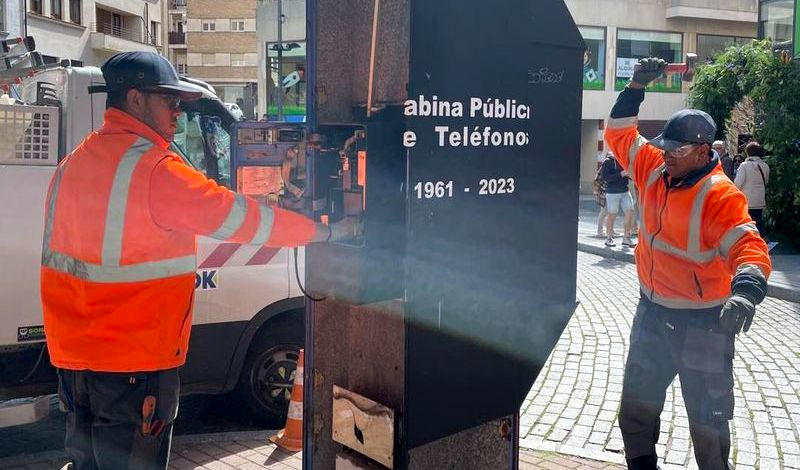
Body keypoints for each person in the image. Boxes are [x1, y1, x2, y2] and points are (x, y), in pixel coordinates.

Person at [41, 52, 351, 470]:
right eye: (168, 99)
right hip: (134, 367)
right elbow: (241, 219)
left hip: (73, 364)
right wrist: (325, 232)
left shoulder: (71, 165)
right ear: (135, 98)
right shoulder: (155, 170)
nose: (177, 110)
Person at [604, 57, 772, 470]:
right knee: (635, 413)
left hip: (705, 323)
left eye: (677, 151)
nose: (667, 157)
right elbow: (619, 134)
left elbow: (749, 246)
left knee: (708, 425)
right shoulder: (653, 166)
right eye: (665, 147)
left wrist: (746, 292)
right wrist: (634, 89)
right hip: (652, 313)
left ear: (703, 151)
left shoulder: (720, 195)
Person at [600, 152, 636, 247]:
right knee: (612, 214)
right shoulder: (608, 161)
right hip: (612, 192)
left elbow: (628, 174)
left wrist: (631, 175)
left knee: (630, 212)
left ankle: (626, 238)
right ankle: (609, 238)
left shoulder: (624, 160)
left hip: (625, 191)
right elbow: (604, 177)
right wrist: (621, 174)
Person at [735, 141, 770, 236]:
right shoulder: (765, 166)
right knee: (758, 223)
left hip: (746, 200)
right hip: (759, 200)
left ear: (748, 152)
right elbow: (766, 181)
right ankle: (760, 240)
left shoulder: (744, 166)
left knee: (747, 225)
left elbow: (738, 183)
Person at [593, 154, 609, 237]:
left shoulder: (604, 167)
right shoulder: (604, 168)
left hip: (606, 191)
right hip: (603, 192)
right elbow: (598, 181)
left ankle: (608, 229)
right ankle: (600, 230)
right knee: (604, 211)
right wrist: (598, 192)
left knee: (609, 211)